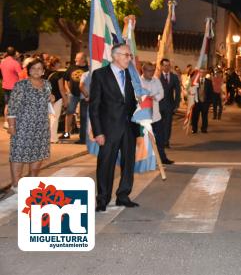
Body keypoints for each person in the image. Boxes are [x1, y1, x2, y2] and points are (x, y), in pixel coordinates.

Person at [89, 43, 139, 211]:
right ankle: (102, 199)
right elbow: (94, 106)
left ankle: (123, 195)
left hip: (129, 128)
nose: (129, 58)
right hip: (108, 129)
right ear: (116, 56)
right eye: (127, 55)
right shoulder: (100, 75)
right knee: (106, 164)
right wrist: (98, 131)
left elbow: (133, 103)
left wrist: (139, 126)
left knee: (128, 163)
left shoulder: (131, 75)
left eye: (130, 55)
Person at [7, 59, 54, 191]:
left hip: (41, 126)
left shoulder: (47, 84)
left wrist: (52, 98)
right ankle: (15, 185)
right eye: (33, 68)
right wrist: (11, 126)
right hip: (22, 126)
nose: (36, 71)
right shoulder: (21, 85)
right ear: (29, 70)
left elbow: (48, 101)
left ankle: (32, 181)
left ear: (44, 71)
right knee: (18, 154)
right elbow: (12, 107)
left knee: (38, 154)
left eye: (39, 68)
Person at [141, 62, 173, 165]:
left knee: (160, 139)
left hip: (156, 116)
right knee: (144, 140)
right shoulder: (139, 82)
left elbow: (161, 93)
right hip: (144, 117)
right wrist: (147, 97)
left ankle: (162, 158)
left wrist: (155, 97)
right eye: (149, 71)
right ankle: (144, 160)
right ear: (144, 71)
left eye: (153, 70)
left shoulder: (156, 80)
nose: (152, 73)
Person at [61, 52, 89, 140]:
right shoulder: (71, 67)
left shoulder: (88, 68)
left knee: (84, 115)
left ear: (83, 59)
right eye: (76, 58)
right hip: (73, 94)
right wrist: (68, 90)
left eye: (78, 58)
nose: (75, 59)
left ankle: (84, 135)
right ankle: (66, 133)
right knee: (69, 112)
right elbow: (65, 79)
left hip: (85, 94)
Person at [45, 56, 68, 144]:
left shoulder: (46, 73)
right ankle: (53, 138)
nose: (60, 64)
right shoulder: (58, 75)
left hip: (47, 98)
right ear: (56, 64)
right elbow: (61, 89)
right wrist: (65, 99)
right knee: (54, 118)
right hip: (57, 98)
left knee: (48, 118)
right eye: (59, 63)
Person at [159, 58, 181, 148]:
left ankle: (166, 142)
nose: (167, 67)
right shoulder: (157, 77)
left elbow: (178, 92)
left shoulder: (174, 77)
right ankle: (159, 141)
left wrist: (176, 104)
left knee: (168, 124)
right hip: (158, 105)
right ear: (161, 66)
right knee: (159, 125)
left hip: (169, 105)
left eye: (168, 65)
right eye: (165, 65)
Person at [1, 46, 22, 129]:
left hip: (5, 85)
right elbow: (21, 76)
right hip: (14, 87)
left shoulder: (2, 62)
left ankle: (6, 122)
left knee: (7, 105)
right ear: (14, 53)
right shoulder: (15, 63)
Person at [191, 69, 213, 133]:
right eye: (201, 72)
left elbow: (211, 92)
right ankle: (194, 129)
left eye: (204, 72)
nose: (202, 73)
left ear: (205, 73)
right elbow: (191, 91)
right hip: (196, 102)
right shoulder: (195, 81)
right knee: (195, 117)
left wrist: (209, 102)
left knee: (204, 116)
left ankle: (204, 128)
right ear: (199, 73)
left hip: (205, 102)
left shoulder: (209, 82)